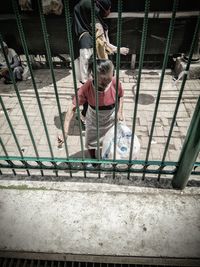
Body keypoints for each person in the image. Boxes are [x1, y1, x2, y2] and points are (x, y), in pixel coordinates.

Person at [58, 58, 124, 160]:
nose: (107, 83)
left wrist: (119, 112)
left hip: (111, 119)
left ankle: (107, 155)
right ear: (93, 77)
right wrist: (65, 131)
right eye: (103, 80)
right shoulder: (87, 87)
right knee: (91, 142)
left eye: (109, 79)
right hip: (93, 121)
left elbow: (120, 96)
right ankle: (93, 160)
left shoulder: (115, 82)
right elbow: (72, 108)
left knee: (111, 141)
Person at [73, 0, 129, 122]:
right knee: (90, 97)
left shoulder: (89, 31)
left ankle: (88, 116)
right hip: (91, 75)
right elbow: (85, 61)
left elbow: (103, 44)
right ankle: (84, 118)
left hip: (96, 72)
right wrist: (86, 82)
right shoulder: (86, 38)